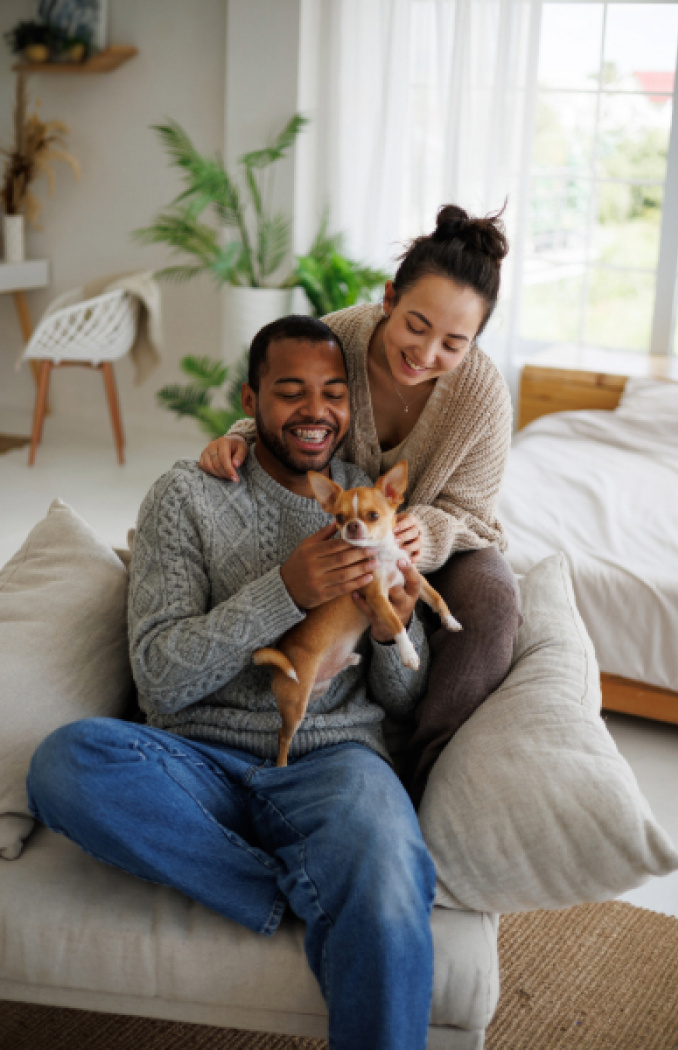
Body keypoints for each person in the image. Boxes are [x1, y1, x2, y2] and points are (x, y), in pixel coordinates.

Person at [26, 316, 437, 1050]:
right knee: (65, 763)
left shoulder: (369, 505)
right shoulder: (186, 495)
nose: (316, 411)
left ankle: (310, 876)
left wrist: (387, 632)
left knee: (384, 859)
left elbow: (407, 700)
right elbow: (159, 678)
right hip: (196, 763)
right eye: (290, 391)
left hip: (336, 763)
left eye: (334, 393)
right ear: (252, 398)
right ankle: (288, 883)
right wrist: (284, 590)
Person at [199, 203, 522, 803]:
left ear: (475, 342)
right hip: (333, 521)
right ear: (389, 297)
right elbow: (286, 408)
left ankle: (424, 775)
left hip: (426, 534)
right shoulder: (338, 339)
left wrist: (423, 533)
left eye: (454, 343)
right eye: (416, 325)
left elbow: (475, 513)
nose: (426, 354)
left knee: (495, 598)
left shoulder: (482, 396)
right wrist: (237, 439)